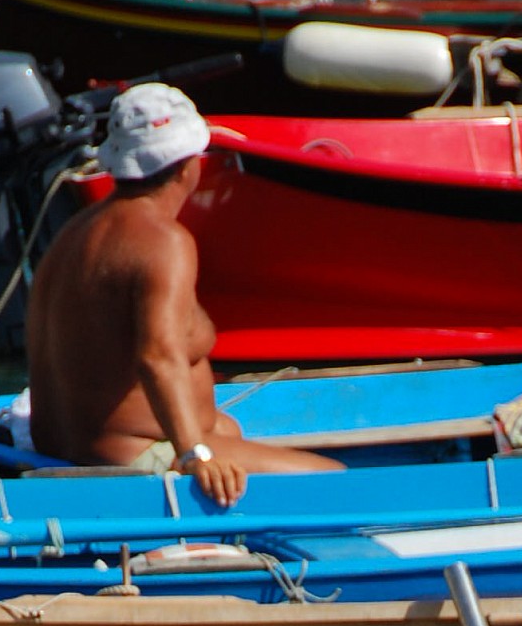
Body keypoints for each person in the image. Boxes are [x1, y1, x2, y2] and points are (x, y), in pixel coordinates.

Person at [27, 83, 341, 504]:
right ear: (186, 166)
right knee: (333, 480)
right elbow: (158, 356)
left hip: (65, 444)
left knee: (228, 429)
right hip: (129, 455)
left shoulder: (76, 231)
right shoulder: (163, 241)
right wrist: (195, 455)